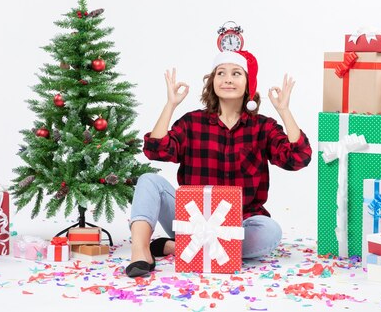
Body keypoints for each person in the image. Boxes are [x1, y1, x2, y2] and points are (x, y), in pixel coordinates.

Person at [125, 50, 312, 278]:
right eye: (221, 73)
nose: (228, 79)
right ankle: (141, 251)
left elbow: (298, 158)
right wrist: (170, 105)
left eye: (236, 73)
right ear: (212, 81)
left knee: (270, 231)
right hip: (191, 219)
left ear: (249, 84)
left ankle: (175, 247)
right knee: (148, 180)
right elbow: (156, 150)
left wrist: (284, 111)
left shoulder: (262, 126)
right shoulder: (192, 122)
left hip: (239, 223)